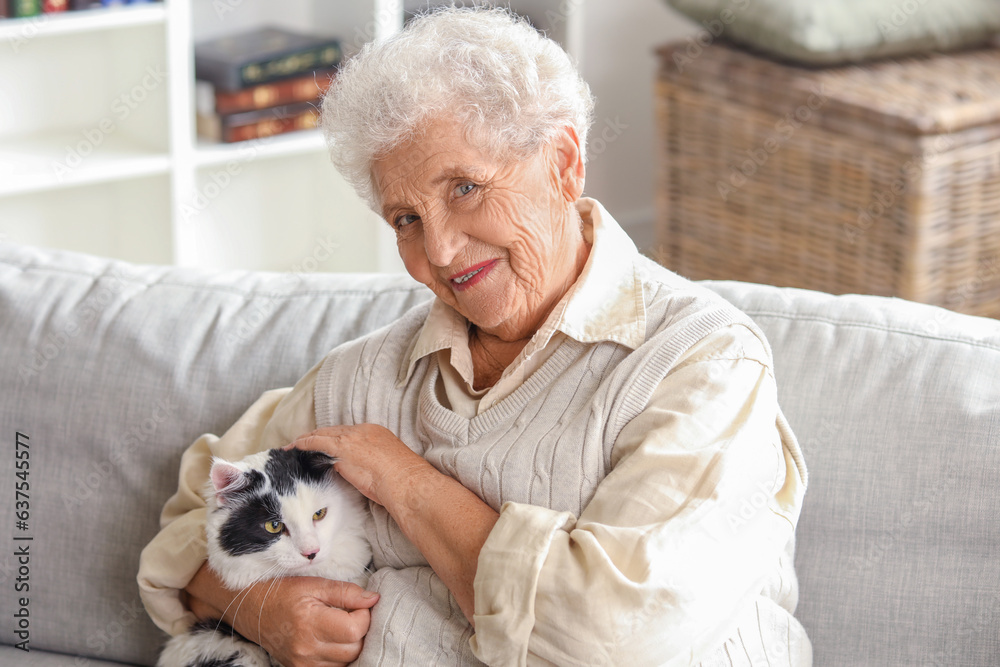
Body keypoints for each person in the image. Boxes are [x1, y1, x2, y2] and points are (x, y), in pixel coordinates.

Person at [138, 7, 811, 666]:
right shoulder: (364, 377)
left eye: (464, 187)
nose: (441, 248)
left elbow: (621, 637)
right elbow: (191, 522)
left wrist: (409, 482)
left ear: (564, 162)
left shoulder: (702, 364)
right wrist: (261, 609)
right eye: (405, 217)